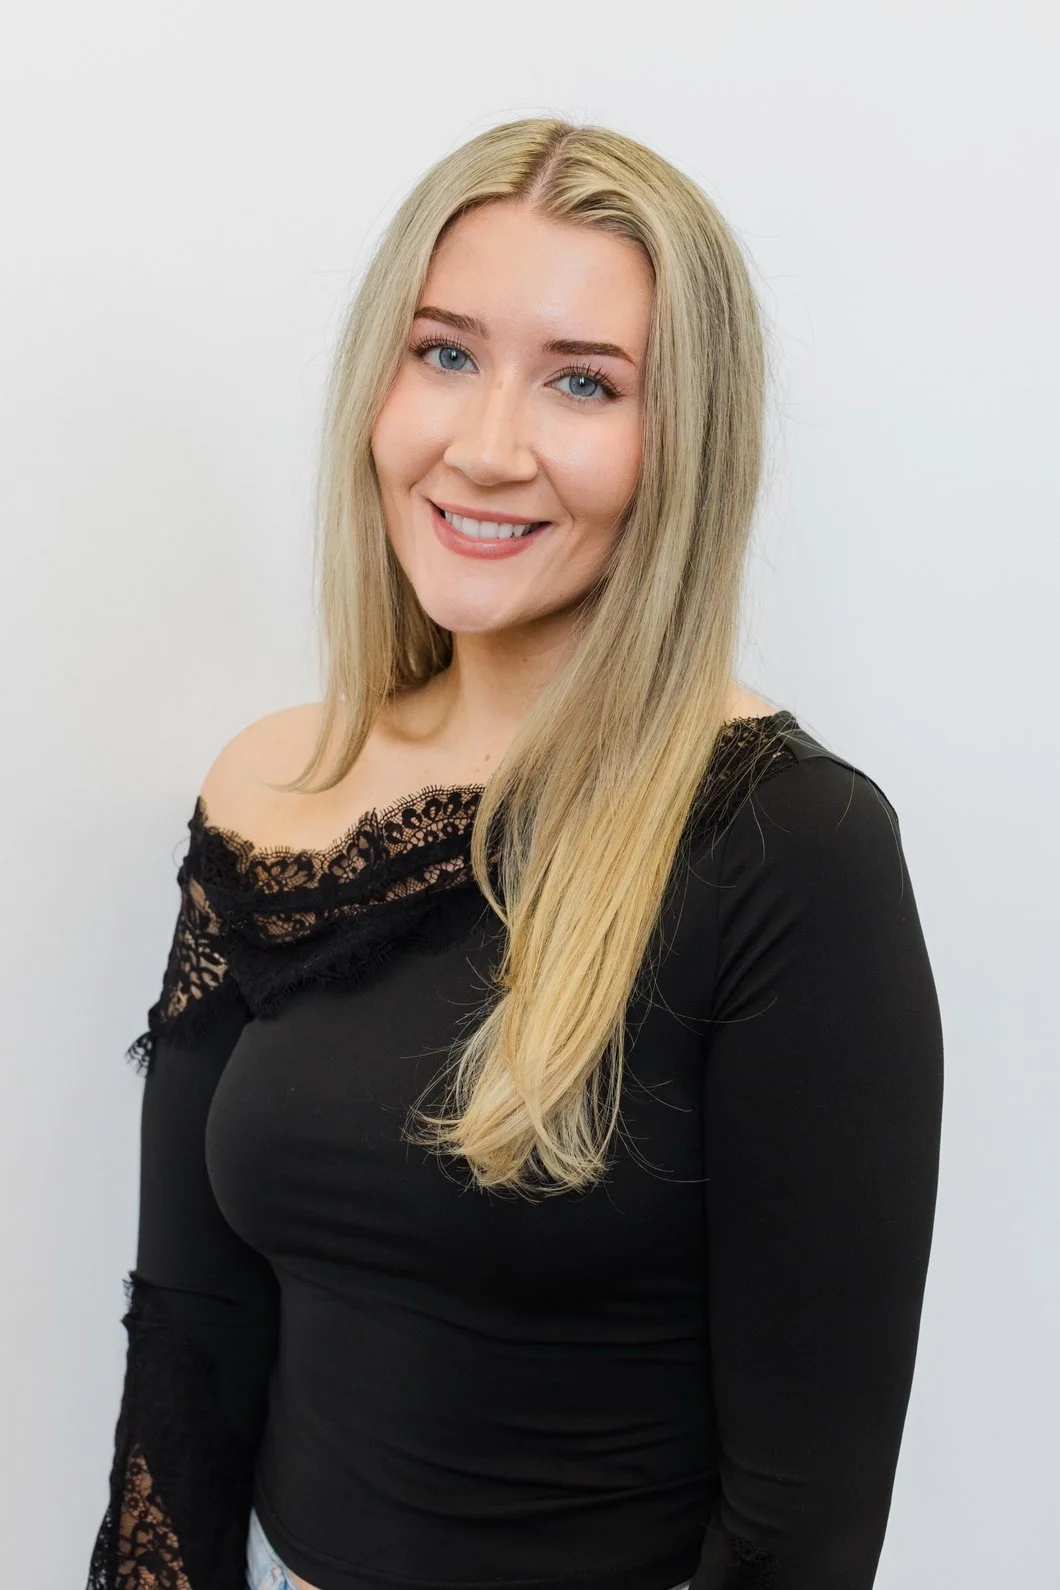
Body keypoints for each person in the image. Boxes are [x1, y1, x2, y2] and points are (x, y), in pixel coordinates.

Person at [85, 118, 944, 1590]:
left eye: (583, 382)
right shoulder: (271, 788)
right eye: (445, 353)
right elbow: (192, 1325)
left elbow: (803, 1529)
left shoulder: (793, 845)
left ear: (682, 443)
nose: (486, 445)